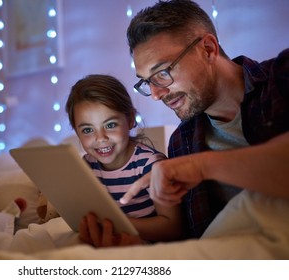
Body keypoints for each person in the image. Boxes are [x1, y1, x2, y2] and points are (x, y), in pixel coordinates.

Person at [81, 0, 289, 247]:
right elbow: (193, 238)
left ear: (208, 49)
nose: (157, 94)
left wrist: (200, 167)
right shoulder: (183, 141)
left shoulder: (281, 79)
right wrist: (137, 249)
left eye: (162, 72)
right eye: (147, 81)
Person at [65, 74, 183, 246]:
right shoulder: (86, 167)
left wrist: (118, 225)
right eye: (88, 130)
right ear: (76, 132)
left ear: (130, 120)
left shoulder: (151, 165)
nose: (100, 138)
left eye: (110, 125)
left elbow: (173, 228)